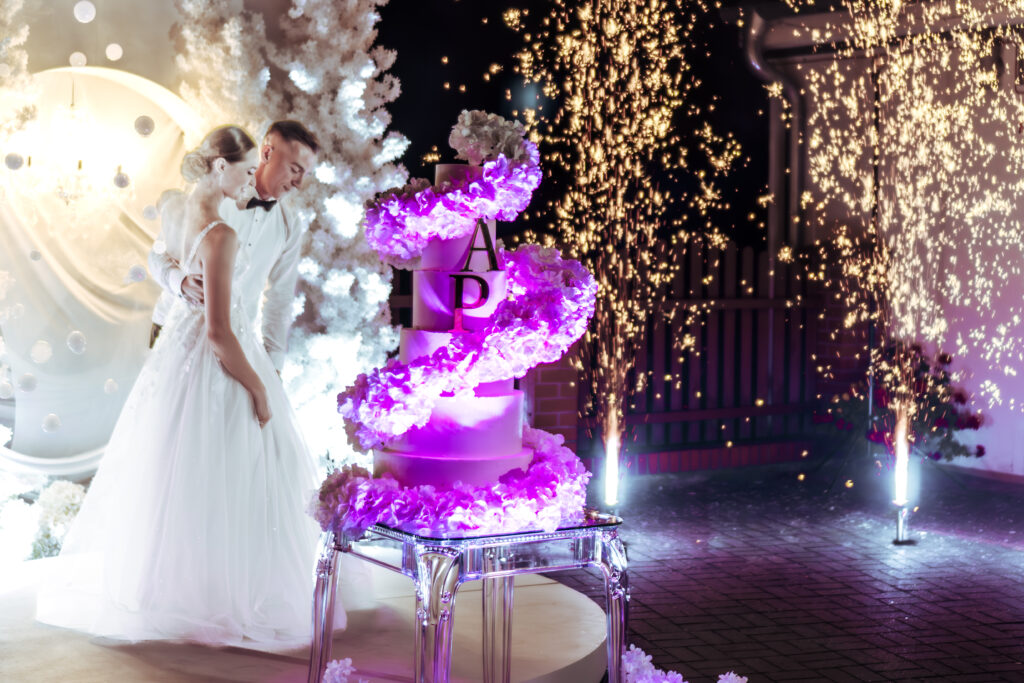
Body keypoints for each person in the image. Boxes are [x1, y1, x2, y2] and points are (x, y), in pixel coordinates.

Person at [36, 124, 331, 646]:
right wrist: (178, 280)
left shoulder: (289, 223)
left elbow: (280, 303)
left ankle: (232, 585)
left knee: (242, 473)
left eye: (306, 174)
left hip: (241, 348)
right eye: (294, 168)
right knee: (176, 463)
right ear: (267, 153)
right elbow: (157, 254)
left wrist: (270, 374)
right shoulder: (217, 195)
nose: (298, 181)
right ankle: (175, 586)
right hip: (189, 341)